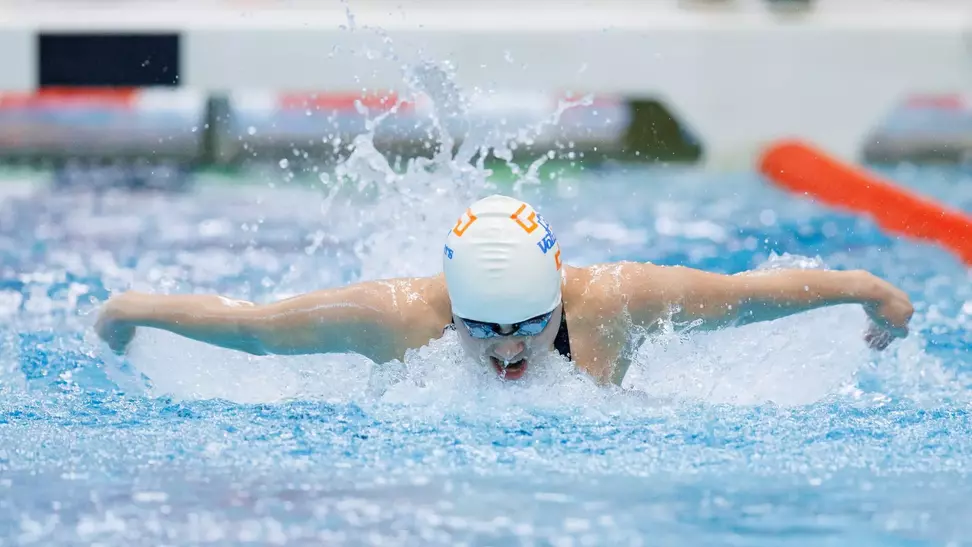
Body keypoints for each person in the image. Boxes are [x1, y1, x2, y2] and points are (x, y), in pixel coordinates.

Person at [95, 194, 914, 385]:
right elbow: (259, 327)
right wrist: (133, 311)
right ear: (453, 307)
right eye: (483, 328)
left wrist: (862, 286)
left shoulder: (616, 299)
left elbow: (743, 295)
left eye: (528, 322)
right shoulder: (395, 319)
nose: (510, 348)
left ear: (560, 291)